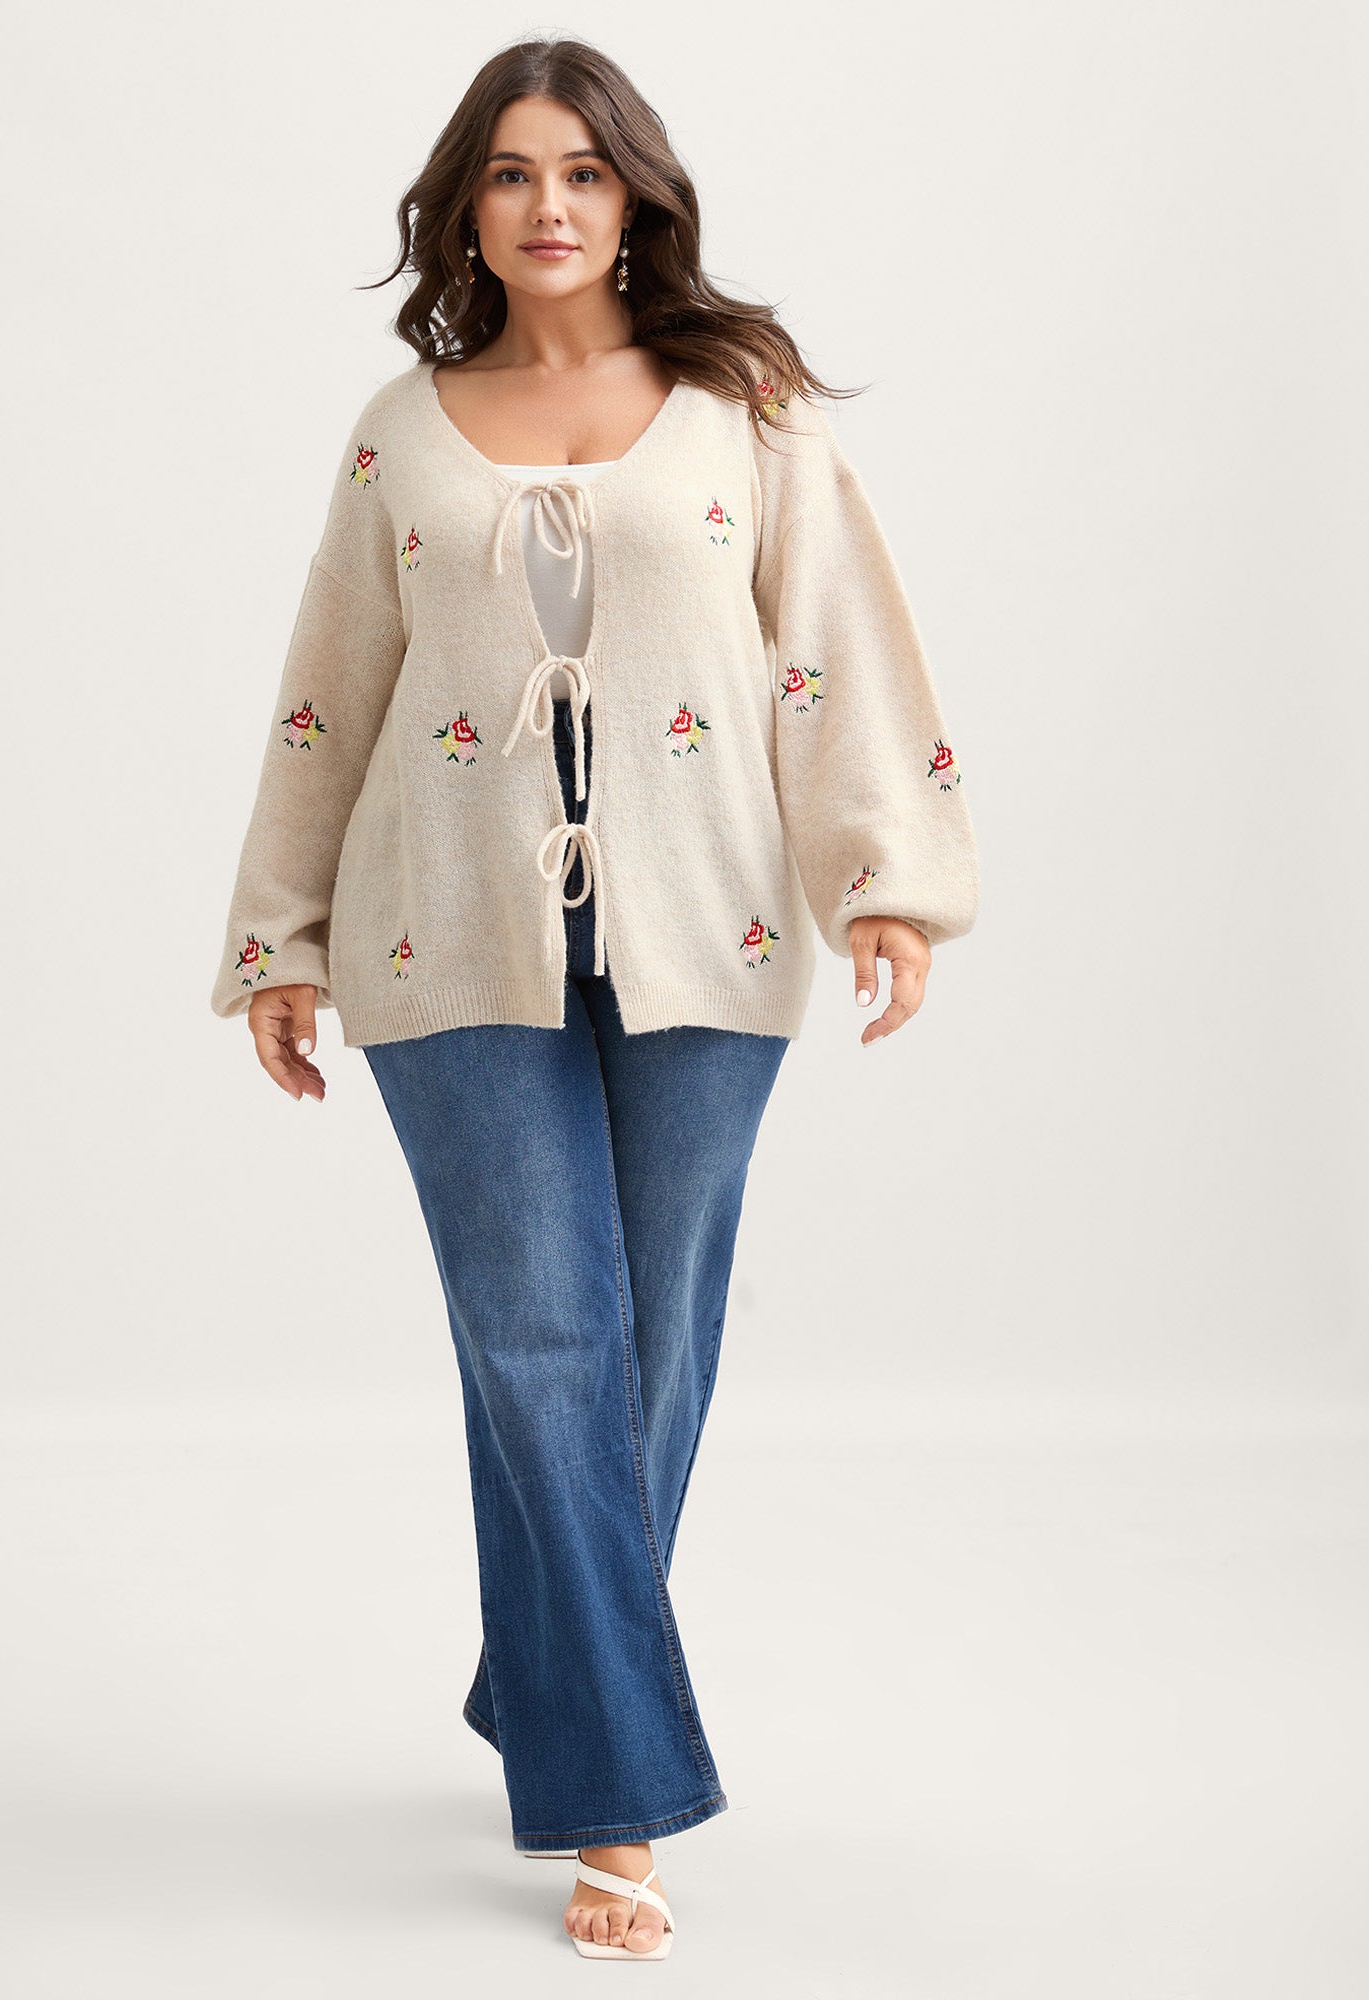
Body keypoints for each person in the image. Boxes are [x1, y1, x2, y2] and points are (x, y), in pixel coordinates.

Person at [208, 36, 980, 1961]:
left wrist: (885, 885)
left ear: (636, 197)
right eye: (508, 173)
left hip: (711, 924)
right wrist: (279, 938)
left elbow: (832, 651)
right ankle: (616, 1801)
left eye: (581, 170)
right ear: (463, 208)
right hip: (439, 933)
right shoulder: (402, 426)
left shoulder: (744, 407)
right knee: (543, 1338)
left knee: (657, 1345)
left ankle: (544, 1674)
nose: (546, 204)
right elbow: (330, 694)